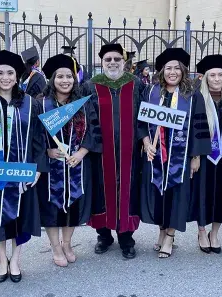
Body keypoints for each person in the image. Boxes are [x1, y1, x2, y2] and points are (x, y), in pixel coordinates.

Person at [0, 50, 48, 283]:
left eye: (10, 73)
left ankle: (16, 259)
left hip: (21, 174)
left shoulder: (30, 104)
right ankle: (1, 259)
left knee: (20, 218)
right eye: (0, 73)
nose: (5, 77)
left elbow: (38, 139)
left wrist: (38, 167)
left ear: (17, 76)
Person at [138, 48, 211, 258]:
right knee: (159, 194)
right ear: (162, 71)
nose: (172, 72)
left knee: (177, 195)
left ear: (183, 71)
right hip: (155, 155)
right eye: (168, 68)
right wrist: (145, 141)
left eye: (177, 68)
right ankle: (161, 231)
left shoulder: (191, 95)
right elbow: (141, 122)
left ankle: (170, 236)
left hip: (181, 155)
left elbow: (199, 126)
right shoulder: (151, 92)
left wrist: (196, 156)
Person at [36, 54, 102, 267]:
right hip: (51, 167)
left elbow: (94, 130)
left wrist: (82, 153)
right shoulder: (41, 105)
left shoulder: (83, 104)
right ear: (52, 79)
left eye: (69, 77)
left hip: (76, 163)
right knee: (51, 208)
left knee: (74, 206)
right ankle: (55, 247)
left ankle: (67, 244)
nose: (65, 80)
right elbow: (33, 137)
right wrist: (46, 151)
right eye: (60, 76)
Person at [83, 43, 145, 259]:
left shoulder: (136, 84)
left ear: (124, 61)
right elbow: (85, 118)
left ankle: (126, 237)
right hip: (100, 152)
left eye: (117, 59)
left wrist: (145, 141)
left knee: (128, 191)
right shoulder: (90, 86)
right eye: (108, 59)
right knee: (101, 191)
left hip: (130, 151)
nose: (112, 62)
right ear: (101, 62)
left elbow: (144, 116)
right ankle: (104, 235)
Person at [191, 55, 222, 254]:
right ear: (205, 77)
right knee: (202, 193)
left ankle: (215, 233)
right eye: (213, 75)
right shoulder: (196, 98)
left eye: (221, 75)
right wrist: (194, 156)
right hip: (204, 157)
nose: (217, 79)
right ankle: (202, 231)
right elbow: (192, 129)